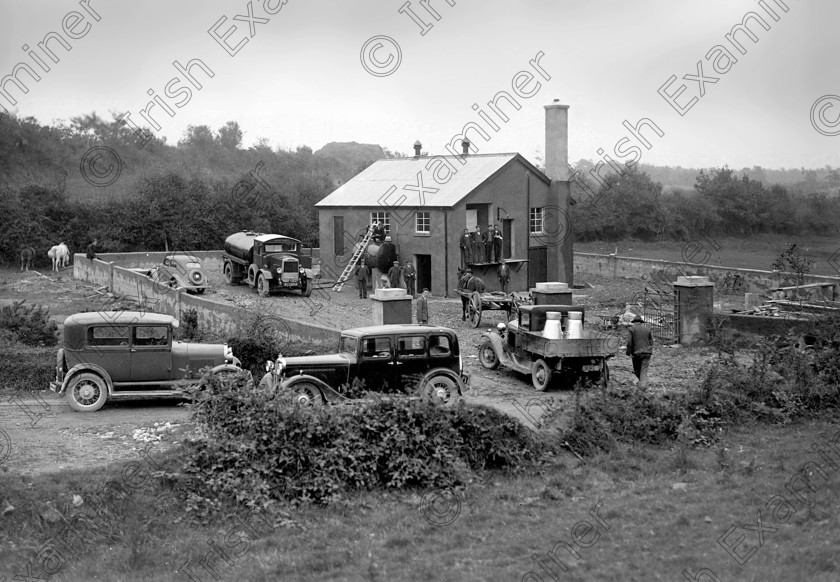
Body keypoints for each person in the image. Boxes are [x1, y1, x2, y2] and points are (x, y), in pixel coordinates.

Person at [626, 315, 653, 390]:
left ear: (634, 322)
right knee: (644, 369)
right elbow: (651, 341)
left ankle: (640, 387)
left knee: (637, 369)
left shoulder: (631, 329)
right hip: (647, 352)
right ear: (641, 322)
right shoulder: (647, 329)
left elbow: (629, 342)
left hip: (636, 353)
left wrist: (628, 352)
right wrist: (649, 350)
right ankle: (643, 386)